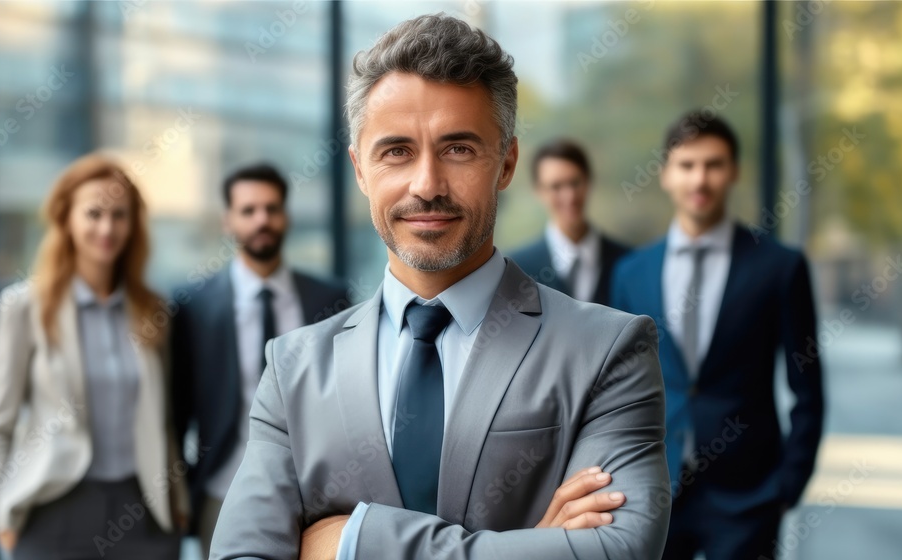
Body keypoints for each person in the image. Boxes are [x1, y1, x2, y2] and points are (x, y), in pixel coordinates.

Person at [210, 14, 669, 560]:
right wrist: (535, 547)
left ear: (507, 162)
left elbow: (619, 551)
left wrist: (352, 543)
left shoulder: (608, 351)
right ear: (360, 169)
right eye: (397, 151)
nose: (427, 185)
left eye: (458, 149)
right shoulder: (292, 370)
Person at [610, 112, 824, 560]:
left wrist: (788, 484)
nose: (700, 179)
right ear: (666, 174)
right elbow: (615, 387)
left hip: (750, 495)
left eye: (714, 164)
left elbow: (807, 387)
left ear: (734, 172)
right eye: (687, 165)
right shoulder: (631, 273)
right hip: (653, 492)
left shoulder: (779, 268)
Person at [0, 154, 189, 559]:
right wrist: (0, 514)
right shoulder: (24, 307)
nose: (107, 228)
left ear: (133, 224)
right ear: (66, 219)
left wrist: (176, 503)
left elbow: (163, 422)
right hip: (53, 508)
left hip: (142, 512)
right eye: (93, 213)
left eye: (119, 215)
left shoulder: (153, 311)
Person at [170, 163, 349, 557]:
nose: (262, 220)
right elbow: (176, 410)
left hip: (315, 493)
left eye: (272, 208)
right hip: (223, 493)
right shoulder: (193, 306)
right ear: (228, 221)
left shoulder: (329, 299)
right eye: (248, 211)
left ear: (286, 216)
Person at [510, 139, 630, 305]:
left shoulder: (628, 262)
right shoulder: (517, 269)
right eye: (556, 186)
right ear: (539, 191)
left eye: (575, 183)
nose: (569, 197)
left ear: (589, 182)